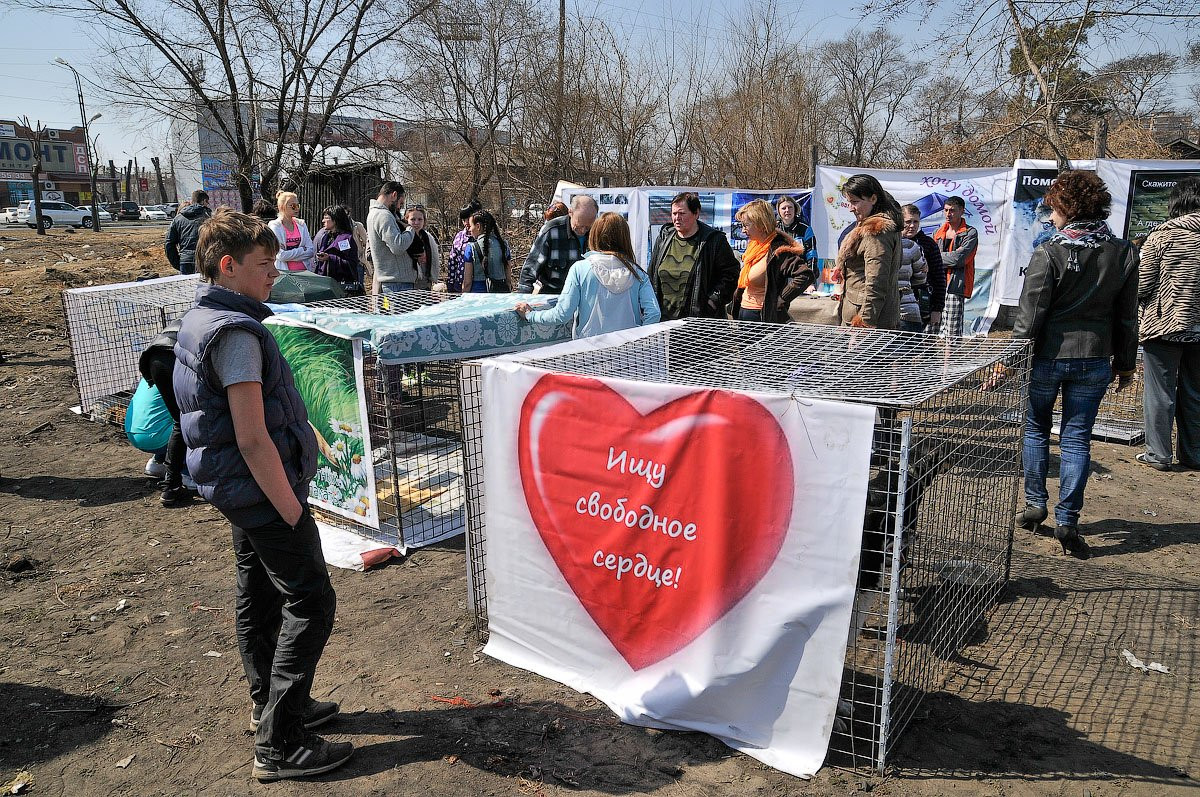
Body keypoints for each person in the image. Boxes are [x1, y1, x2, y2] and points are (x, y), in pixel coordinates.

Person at [173, 209, 349, 781]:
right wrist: (293, 509)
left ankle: (269, 705)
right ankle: (281, 744)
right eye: (265, 264)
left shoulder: (206, 318)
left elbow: (247, 423)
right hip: (263, 492)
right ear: (229, 266)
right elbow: (250, 438)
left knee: (259, 593)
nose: (275, 274)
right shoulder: (237, 335)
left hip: (239, 493)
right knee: (312, 601)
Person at [1009, 170, 1138, 559]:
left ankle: (1036, 504)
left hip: (1048, 357)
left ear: (1067, 208)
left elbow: (1030, 316)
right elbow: (1127, 317)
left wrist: (1012, 360)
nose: (1050, 217)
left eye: (1054, 209)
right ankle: (1068, 519)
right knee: (1077, 437)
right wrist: (1126, 364)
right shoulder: (1123, 252)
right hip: (1095, 357)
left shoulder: (1049, 252)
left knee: (1035, 429)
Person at [1137, 177, 1200, 471]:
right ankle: (1194, 454)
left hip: (1164, 326)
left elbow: (1141, 286)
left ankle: (1158, 455)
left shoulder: (1161, 237)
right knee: (1195, 392)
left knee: (1159, 394)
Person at [515, 212, 660, 337]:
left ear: (595, 235)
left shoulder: (580, 269)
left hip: (588, 349)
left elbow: (562, 314)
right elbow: (653, 314)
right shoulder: (638, 273)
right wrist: (637, 336)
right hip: (629, 352)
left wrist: (531, 314)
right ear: (625, 238)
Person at [647, 192, 739, 320]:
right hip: (665, 322)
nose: (677, 218)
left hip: (700, 323)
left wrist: (713, 301)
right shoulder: (664, 237)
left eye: (682, 213)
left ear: (696, 213)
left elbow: (731, 274)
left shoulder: (714, 241)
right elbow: (651, 274)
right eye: (674, 213)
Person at [835, 174, 902, 329]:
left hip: (867, 320)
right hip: (858, 312)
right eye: (849, 202)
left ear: (873, 199)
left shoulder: (877, 232)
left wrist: (864, 323)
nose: (851, 208)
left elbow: (876, 283)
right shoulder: (870, 225)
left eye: (855, 202)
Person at [729, 199, 813, 322]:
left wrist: (782, 298)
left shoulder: (779, 250)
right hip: (744, 312)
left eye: (746, 225)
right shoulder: (754, 246)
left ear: (761, 225)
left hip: (763, 317)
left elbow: (805, 275)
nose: (743, 230)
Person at [136, 320, 190, 506]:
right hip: (174, 356)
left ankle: (170, 485)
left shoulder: (196, 313)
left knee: (179, 421)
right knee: (187, 420)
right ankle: (188, 476)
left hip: (155, 357)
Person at [517, 194, 598, 294]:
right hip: (554, 295)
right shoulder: (552, 230)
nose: (583, 231)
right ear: (570, 212)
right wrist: (523, 297)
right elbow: (531, 268)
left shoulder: (597, 233)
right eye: (579, 225)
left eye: (587, 227)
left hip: (585, 295)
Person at [934, 196, 977, 337]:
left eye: (952, 210)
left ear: (962, 211)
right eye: (946, 210)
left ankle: (949, 360)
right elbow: (933, 259)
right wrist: (948, 257)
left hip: (955, 285)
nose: (948, 214)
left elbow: (959, 259)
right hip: (937, 285)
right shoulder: (938, 233)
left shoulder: (970, 232)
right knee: (931, 328)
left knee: (952, 332)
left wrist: (936, 257)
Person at [901, 204, 945, 331]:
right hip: (897, 305)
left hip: (924, 305)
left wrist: (937, 309)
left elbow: (939, 278)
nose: (912, 225)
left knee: (925, 348)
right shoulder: (892, 243)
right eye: (908, 221)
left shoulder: (928, 244)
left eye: (916, 222)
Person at [367, 181, 416, 294]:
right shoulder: (383, 215)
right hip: (397, 283)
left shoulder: (374, 213)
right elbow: (397, 246)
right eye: (400, 203)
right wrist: (410, 230)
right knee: (401, 312)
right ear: (394, 195)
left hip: (392, 282)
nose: (399, 207)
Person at [313, 205, 363, 295]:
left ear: (335, 220)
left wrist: (330, 258)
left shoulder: (346, 239)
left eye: (326, 218)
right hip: (324, 284)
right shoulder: (325, 237)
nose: (323, 221)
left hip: (342, 288)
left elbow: (351, 264)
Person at [164, 190, 212, 275]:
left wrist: (178, 263)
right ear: (204, 201)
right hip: (206, 260)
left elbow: (169, 243)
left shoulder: (178, 218)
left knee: (187, 287)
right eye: (207, 202)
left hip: (185, 261)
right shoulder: (209, 217)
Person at [462, 210, 511, 292]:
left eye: (470, 226)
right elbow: (508, 279)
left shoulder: (471, 248)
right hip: (501, 295)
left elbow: (467, 283)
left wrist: (463, 299)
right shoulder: (504, 245)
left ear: (478, 226)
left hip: (478, 296)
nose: (469, 230)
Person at [268, 191, 315, 272]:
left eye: (298, 205)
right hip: (284, 272)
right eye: (293, 206)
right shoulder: (275, 226)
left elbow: (310, 251)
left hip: (304, 272)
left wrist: (289, 254)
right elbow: (280, 255)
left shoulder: (301, 224)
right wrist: (302, 250)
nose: (297, 209)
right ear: (282, 206)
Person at [445, 201, 481, 294]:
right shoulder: (459, 236)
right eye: (463, 220)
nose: (466, 223)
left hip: (479, 287)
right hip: (459, 285)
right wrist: (450, 282)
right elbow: (452, 261)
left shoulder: (483, 238)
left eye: (468, 218)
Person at [405, 206, 441, 290]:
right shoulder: (404, 237)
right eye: (413, 219)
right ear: (407, 220)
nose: (416, 223)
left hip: (425, 281)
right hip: (409, 282)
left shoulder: (428, 238)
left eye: (420, 219)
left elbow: (433, 258)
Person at [897, 234, 926, 333]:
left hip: (876, 311)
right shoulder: (910, 246)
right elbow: (921, 278)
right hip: (907, 310)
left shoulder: (867, 241)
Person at [775, 195, 814, 260]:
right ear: (779, 211)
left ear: (795, 209)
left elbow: (811, 253)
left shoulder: (805, 228)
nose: (787, 210)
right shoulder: (774, 228)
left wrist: (810, 270)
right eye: (783, 208)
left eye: (790, 207)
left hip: (801, 268)